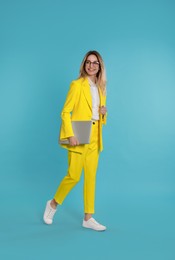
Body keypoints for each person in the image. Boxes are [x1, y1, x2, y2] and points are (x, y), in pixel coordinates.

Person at [43, 50, 107, 231]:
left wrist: (104, 114)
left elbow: (98, 113)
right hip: (80, 133)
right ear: (84, 65)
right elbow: (65, 112)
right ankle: (53, 204)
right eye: (88, 62)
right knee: (73, 176)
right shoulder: (77, 85)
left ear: (100, 66)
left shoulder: (101, 88)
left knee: (91, 177)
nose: (91, 65)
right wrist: (70, 134)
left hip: (96, 135)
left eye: (95, 63)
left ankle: (88, 218)